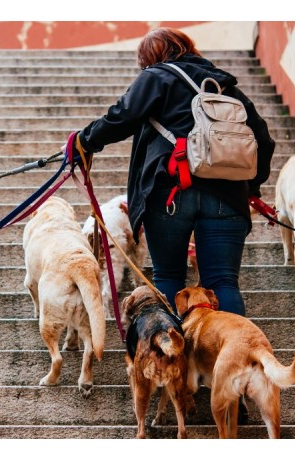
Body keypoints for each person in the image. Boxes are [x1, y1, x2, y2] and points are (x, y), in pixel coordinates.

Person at [64, 27, 275, 317]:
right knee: (223, 283)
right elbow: (263, 139)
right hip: (228, 195)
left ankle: (170, 357)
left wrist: (83, 141)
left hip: (170, 192)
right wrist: (252, 188)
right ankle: (231, 357)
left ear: (150, 58)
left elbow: (122, 117)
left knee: (168, 279)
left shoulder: (155, 77)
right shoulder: (225, 87)